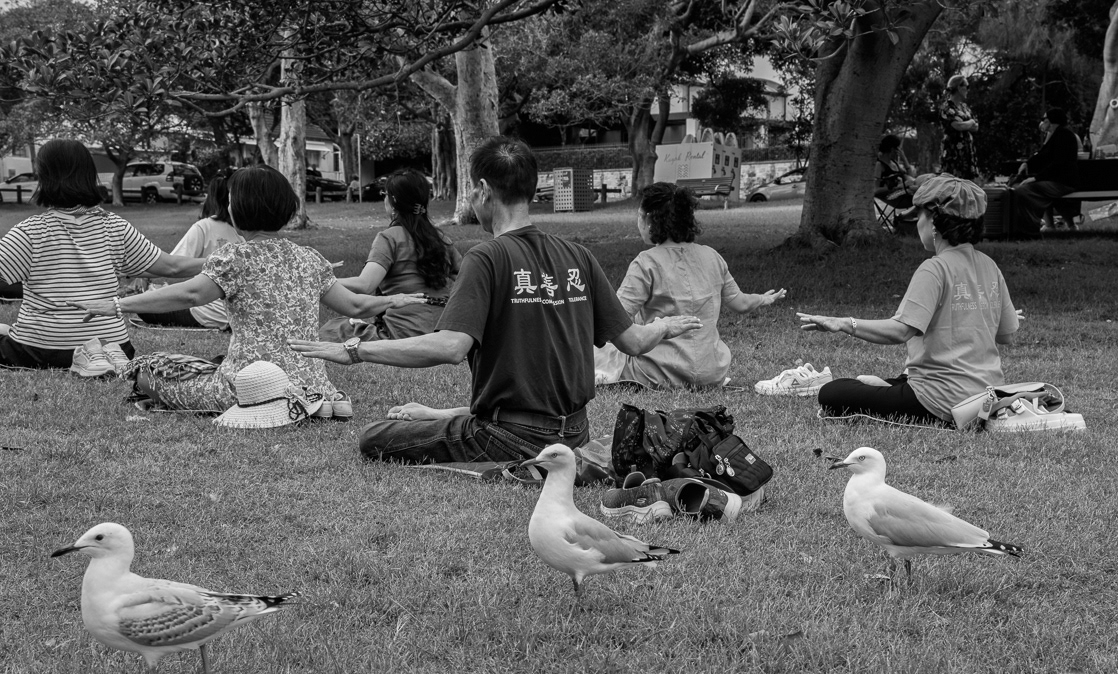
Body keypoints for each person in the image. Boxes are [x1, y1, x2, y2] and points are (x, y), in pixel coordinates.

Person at [287, 136, 703, 464]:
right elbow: (633, 341)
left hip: (510, 438)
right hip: (575, 433)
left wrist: (355, 350)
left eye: (471, 189)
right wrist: (665, 325)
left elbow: (451, 347)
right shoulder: (579, 256)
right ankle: (448, 418)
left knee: (374, 438)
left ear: (484, 190)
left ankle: (458, 425)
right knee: (459, 420)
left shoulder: (486, 257)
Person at [71, 165, 409, 416]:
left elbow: (189, 295)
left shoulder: (234, 256)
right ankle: (312, 401)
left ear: (238, 208)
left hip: (244, 386)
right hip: (312, 384)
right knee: (200, 364)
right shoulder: (310, 258)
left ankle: (274, 401)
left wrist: (117, 304)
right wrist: (393, 299)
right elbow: (354, 304)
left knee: (148, 374)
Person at [795, 174, 1022, 426]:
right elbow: (1006, 335)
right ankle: (895, 385)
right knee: (874, 382)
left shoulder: (934, 269)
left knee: (832, 392)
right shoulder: (990, 265)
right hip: (986, 398)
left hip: (940, 403)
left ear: (935, 221)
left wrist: (843, 323)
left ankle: (893, 387)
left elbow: (900, 331)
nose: (917, 224)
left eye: (919, 216)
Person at [0, 139, 206, 371]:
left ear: (45, 177)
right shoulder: (114, 226)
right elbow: (172, 267)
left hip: (40, 349)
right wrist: (225, 259)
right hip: (115, 345)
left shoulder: (30, 231)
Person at [593, 182, 785, 389]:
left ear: (649, 219)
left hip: (657, 372)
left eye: (639, 216)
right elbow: (742, 303)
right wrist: (763, 298)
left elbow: (614, 321)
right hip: (711, 373)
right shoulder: (712, 256)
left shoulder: (645, 262)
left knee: (595, 352)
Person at [318, 170, 461, 343]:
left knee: (335, 328)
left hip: (403, 335)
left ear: (393, 201)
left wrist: (321, 278)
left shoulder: (389, 238)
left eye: (385, 194)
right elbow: (467, 278)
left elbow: (365, 285)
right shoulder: (441, 239)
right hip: (443, 332)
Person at [134, 174, 241, 330]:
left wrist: (141, 275)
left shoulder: (205, 226)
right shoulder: (246, 232)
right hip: (233, 310)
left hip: (210, 309)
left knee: (141, 304)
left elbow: (173, 265)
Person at [1011, 107, 1080, 237]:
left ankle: (1028, 228)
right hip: (1057, 181)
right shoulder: (1056, 135)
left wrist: (1036, 178)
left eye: (1045, 120)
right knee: (1033, 188)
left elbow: (1058, 164)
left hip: (1064, 182)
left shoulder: (1064, 136)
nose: (1042, 123)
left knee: (1022, 190)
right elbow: (1043, 155)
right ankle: (1050, 226)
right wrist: (1027, 163)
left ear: (1052, 121)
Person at [939, 75, 979, 180]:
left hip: (967, 155)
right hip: (953, 156)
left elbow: (976, 127)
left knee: (968, 187)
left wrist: (967, 124)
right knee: (953, 186)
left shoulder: (965, 107)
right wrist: (970, 121)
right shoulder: (946, 107)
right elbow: (958, 126)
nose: (968, 90)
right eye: (967, 86)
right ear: (959, 88)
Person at [875, 134, 917, 207]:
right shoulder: (879, 165)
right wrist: (897, 187)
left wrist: (904, 158)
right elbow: (875, 190)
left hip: (902, 193)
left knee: (923, 189)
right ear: (892, 149)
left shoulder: (894, 163)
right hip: (891, 196)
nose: (898, 151)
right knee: (920, 195)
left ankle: (907, 215)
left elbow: (912, 178)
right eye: (897, 149)